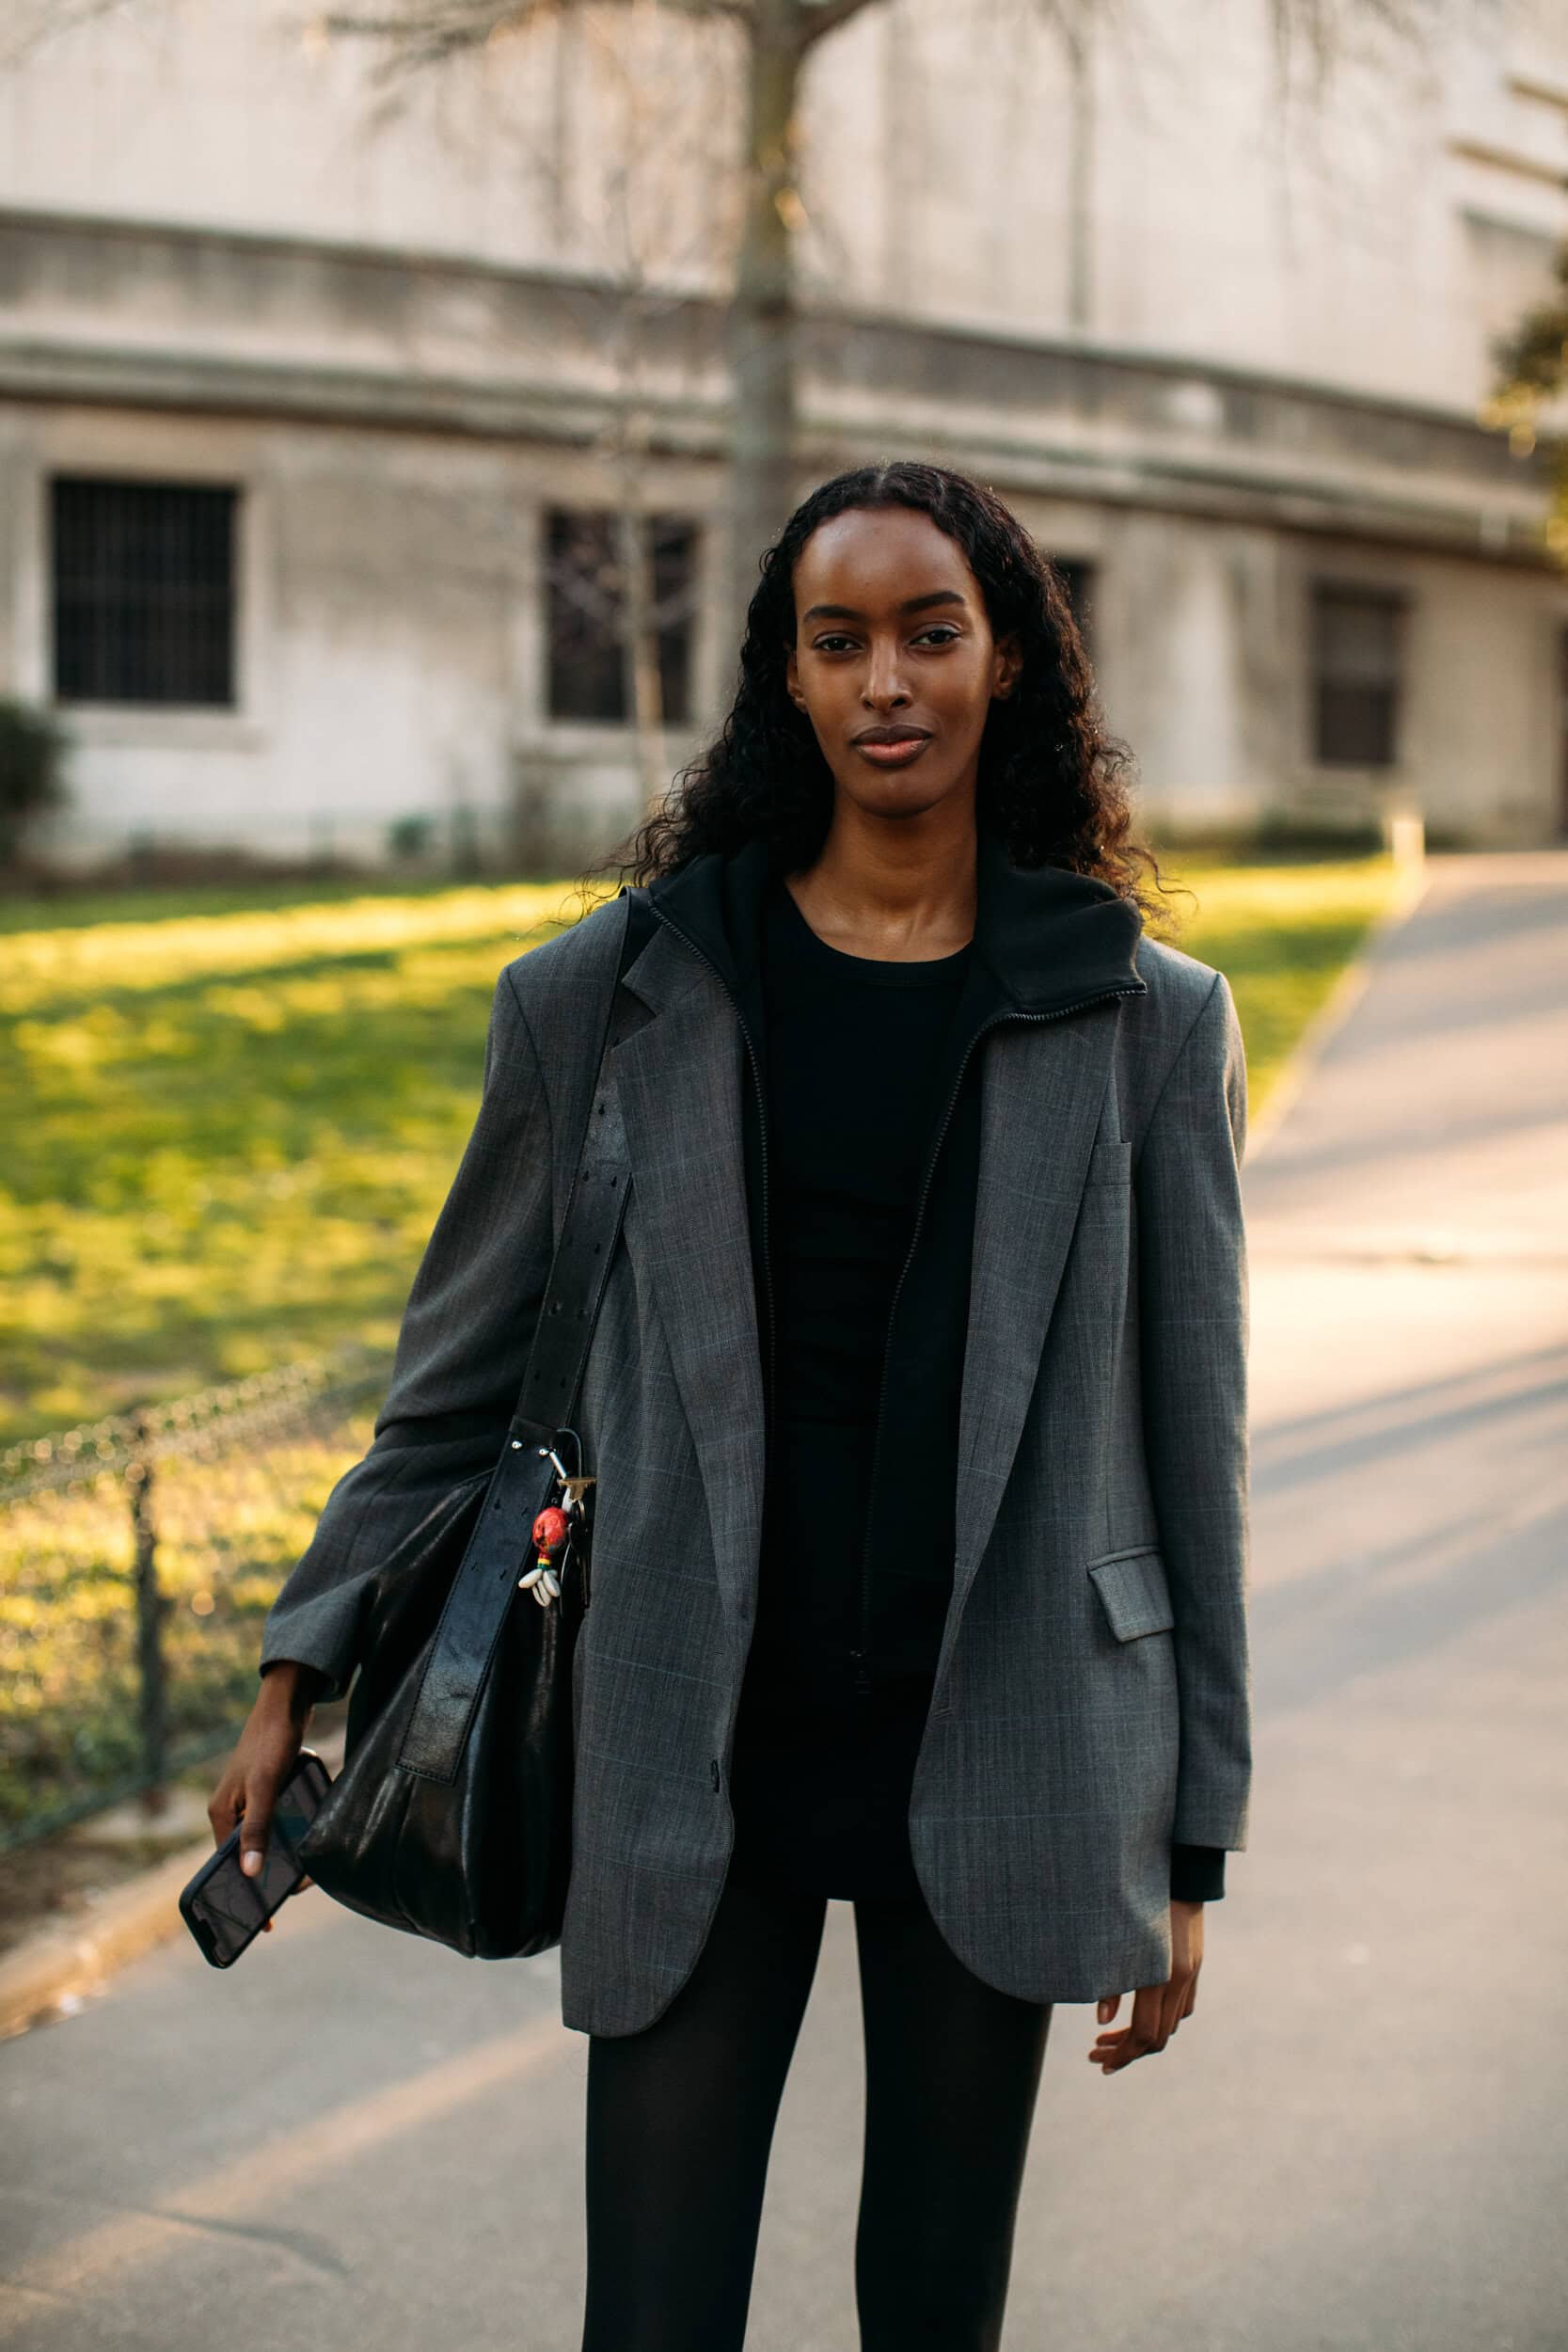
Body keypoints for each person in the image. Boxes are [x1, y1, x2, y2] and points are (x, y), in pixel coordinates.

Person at [212, 459, 1251, 2352]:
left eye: (933, 633)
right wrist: (302, 1656)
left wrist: (1193, 1842)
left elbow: (1198, 1455)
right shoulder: (607, 998)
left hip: (1001, 1720)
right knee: (656, 2310)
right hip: (694, 1727)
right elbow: (447, 1387)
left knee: (935, 2308)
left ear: (1007, 660)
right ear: (784, 676)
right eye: (835, 639)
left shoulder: (1148, 1023)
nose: (886, 680)